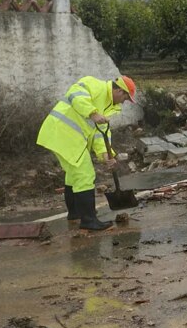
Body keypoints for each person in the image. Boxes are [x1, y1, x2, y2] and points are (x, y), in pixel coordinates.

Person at [37, 76, 136, 231]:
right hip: (62, 133)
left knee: (73, 175)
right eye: (125, 97)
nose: (124, 101)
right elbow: (74, 95)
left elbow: (100, 133)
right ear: (118, 90)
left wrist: (105, 154)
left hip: (65, 136)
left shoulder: (108, 106)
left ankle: (75, 213)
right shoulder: (94, 85)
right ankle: (89, 220)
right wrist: (92, 113)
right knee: (85, 175)